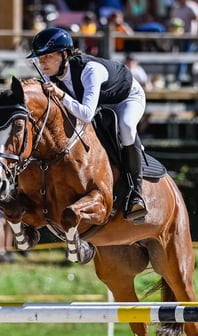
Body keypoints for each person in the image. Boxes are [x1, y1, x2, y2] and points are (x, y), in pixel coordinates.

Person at [27, 26, 148, 221]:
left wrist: (60, 94)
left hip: (126, 98)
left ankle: (136, 192)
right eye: (40, 58)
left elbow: (86, 114)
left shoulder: (90, 71)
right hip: (99, 103)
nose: (42, 63)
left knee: (126, 127)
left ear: (64, 54)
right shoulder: (50, 76)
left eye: (48, 57)